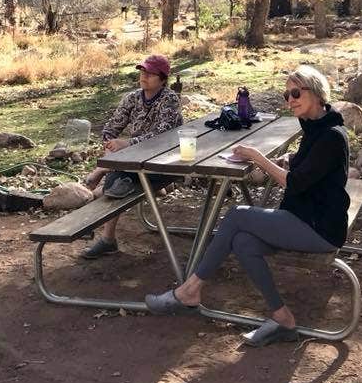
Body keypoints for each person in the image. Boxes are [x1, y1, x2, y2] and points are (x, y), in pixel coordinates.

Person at [145, 65, 349, 347]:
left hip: (320, 227)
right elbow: (309, 171)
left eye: (295, 93)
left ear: (316, 93)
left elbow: (294, 184)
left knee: (237, 215)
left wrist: (258, 157)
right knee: (242, 241)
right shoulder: (316, 127)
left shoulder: (331, 136)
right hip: (303, 216)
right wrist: (283, 162)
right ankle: (282, 318)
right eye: (286, 95)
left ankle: (190, 290)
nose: (290, 100)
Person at [81, 53, 182, 260]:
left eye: (151, 73)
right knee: (117, 182)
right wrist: (110, 145)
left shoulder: (169, 99)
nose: (144, 76)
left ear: (163, 79)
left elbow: (161, 135)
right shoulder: (133, 98)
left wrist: (127, 144)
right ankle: (106, 237)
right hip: (136, 159)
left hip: (165, 159)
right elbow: (111, 128)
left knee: (116, 180)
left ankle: (104, 171)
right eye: (142, 71)